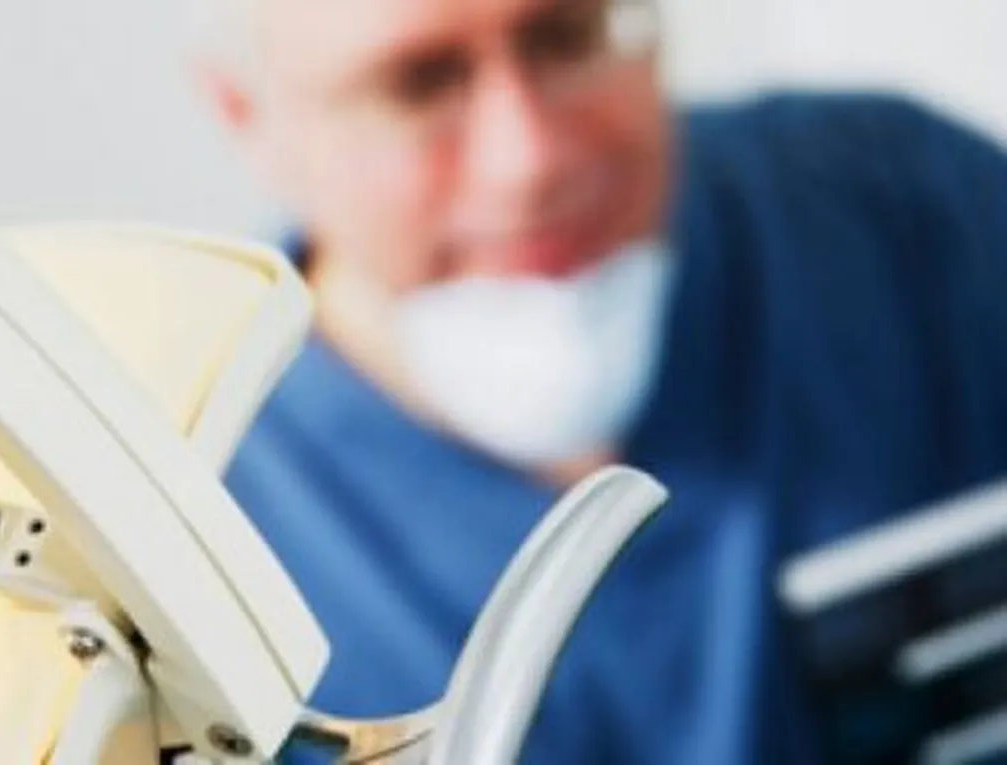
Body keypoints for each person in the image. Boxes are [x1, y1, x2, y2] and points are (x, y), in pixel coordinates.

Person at [190, 0, 1007, 761]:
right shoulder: (190, 543)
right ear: (248, 118)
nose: (529, 161)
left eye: (567, 36)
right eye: (417, 86)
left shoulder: (923, 223)